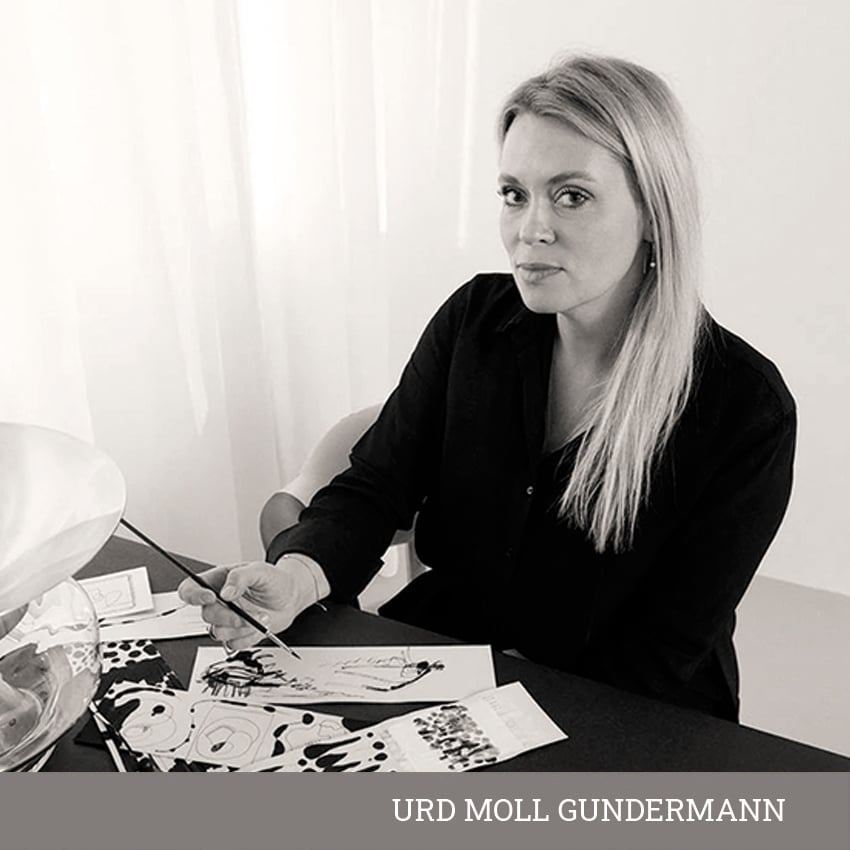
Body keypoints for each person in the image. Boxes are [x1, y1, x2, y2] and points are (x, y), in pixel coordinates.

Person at [178, 54, 796, 722]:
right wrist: (297, 578)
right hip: (449, 656)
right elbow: (375, 486)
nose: (531, 229)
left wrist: (484, 716)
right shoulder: (474, 321)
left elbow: (658, 652)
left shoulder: (745, 411)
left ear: (653, 212)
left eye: (572, 196)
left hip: (621, 712)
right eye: (514, 194)